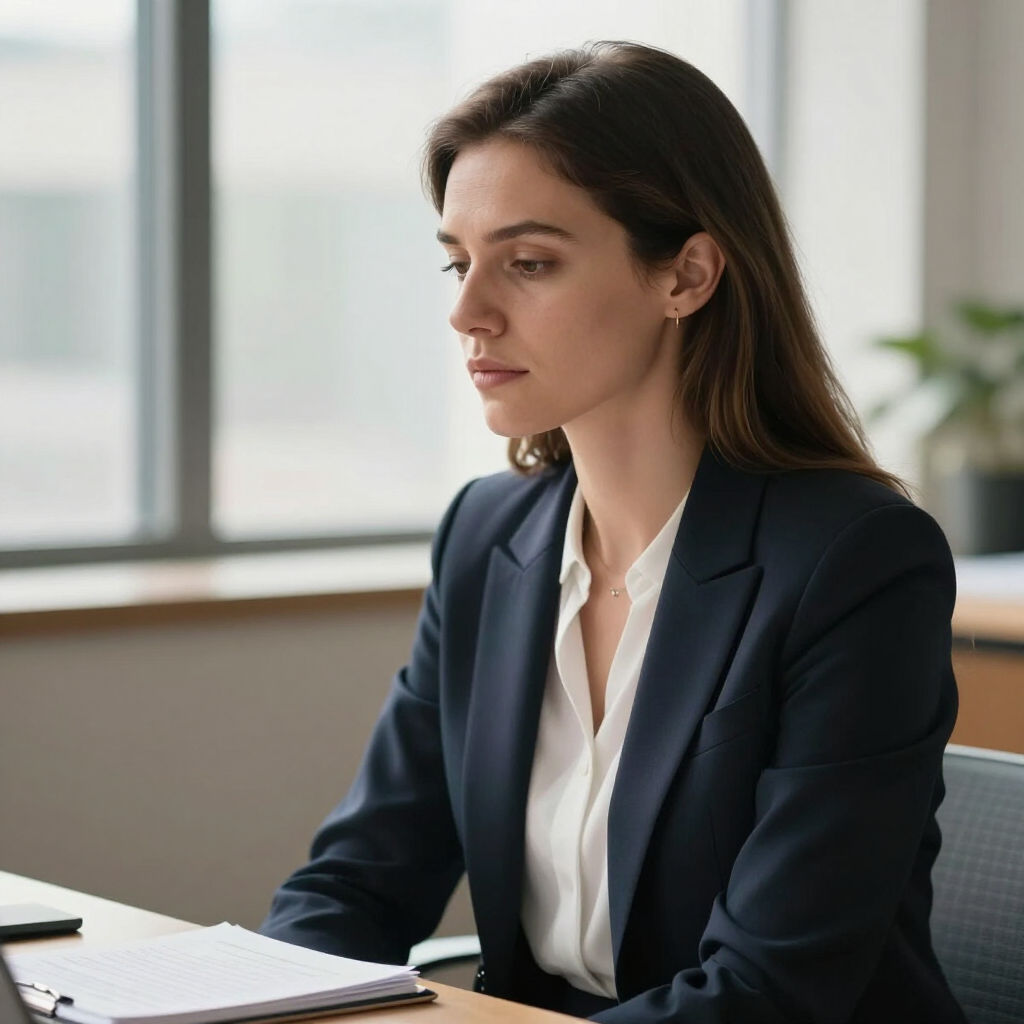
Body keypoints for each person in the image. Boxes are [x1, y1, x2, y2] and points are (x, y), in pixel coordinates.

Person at [260, 42, 966, 1023]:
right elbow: (356, 883)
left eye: (529, 263)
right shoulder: (486, 537)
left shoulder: (853, 562)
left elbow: (770, 990)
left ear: (687, 275)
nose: (468, 311)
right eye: (458, 262)